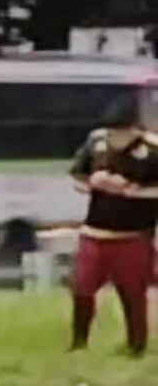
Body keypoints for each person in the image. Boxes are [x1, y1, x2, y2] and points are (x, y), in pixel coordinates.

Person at [69, 94, 158, 354]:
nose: (113, 140)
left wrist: (131, 190)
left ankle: (136, 345)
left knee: (132, 294)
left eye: (118, 134)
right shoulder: (96, 142)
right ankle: (78, 343)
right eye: (110, 133)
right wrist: (93, 183)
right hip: (94, 231)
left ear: (134, 130)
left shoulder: (152, 151)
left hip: (132, 235)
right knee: (82, 288)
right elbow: (77, 175)